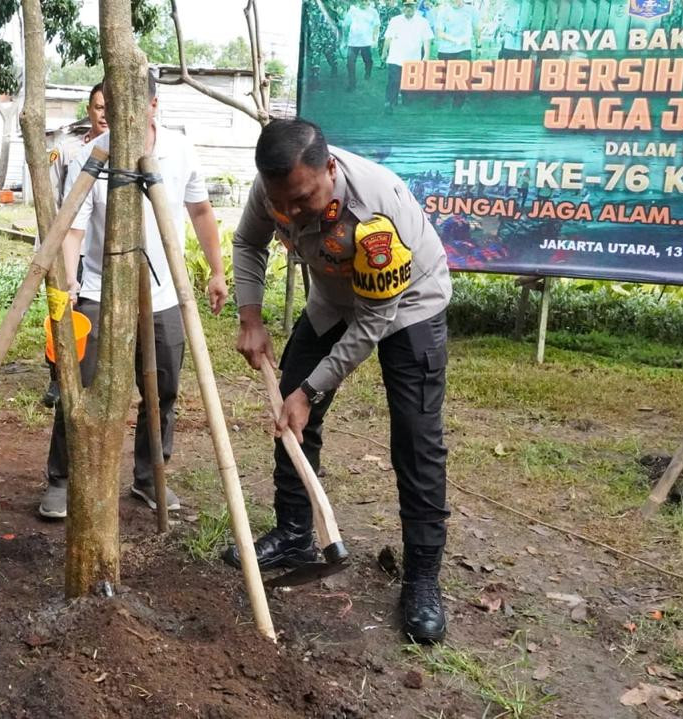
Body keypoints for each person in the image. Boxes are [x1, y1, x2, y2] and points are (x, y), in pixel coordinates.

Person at [223, 119, 453, 645]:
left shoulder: (375, 215)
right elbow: (248, 241)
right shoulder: (274, 187)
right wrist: (251, 318)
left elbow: (374, 322)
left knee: (417, 440)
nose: (292, 211)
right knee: (288, 411)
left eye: (303, 200)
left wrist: (310, 390)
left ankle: (421, 579)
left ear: (329, 168)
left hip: (407, 308)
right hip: (333, 299)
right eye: (284, 202)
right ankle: (295, 533)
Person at [37, 72, 228, 520]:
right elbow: (76, 226)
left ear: (153, 106)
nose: (120, 117)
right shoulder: (92, 154)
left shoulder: (179, 149)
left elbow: (200, 210)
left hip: (164, 293)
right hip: (99, 290)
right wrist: (68, 281)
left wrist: (217, 271)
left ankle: (149, 476)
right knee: (77, 388)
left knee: (163, 389)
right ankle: (62, 481)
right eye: (111, 107)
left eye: (132, 107)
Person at [40, 82, 110, 409]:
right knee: (62, 309)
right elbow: (51, 201)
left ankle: (88, 369)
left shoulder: (124, 155)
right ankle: (58, 376)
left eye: (110, 107)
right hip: (68, 244)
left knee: (89, 317)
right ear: (89, 110)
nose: (105, 114)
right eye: (99, 107)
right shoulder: (69, 151)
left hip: (96, 248)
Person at [383, 0, 434, 113]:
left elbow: (427, 40)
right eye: (406, 6)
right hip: (395, 57)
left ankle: (406, 99)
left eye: (411, 6)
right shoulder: (395, 21)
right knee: (394, 81)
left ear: (415, 7)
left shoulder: (423, 22)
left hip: (413, 59)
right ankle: (389, 102)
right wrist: (384, 52)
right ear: (402, 7)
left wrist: (426, 56)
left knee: (409, 82)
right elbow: (388, 38)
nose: (408, 8)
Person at [433, 0, 479, 107]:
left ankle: (458, 104)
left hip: (464, 49)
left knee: (462, 77)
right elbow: (439, 32)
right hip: (446, 50)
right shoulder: (443, 12)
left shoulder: (471, 10)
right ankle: (440, 101)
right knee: (443, 78)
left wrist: (478, 46)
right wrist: (455, 40)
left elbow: (476, 29)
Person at [346, 0, 382, 91]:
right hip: (353, 42)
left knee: (368, 60)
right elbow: (346, 25)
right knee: (350, 63)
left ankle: (368, 72)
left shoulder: (373, 12)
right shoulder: (352, 11)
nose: (363, 2)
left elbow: (376, 26)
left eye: (365, 1)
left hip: (366, 42)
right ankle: (352, 83)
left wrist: (375, 40)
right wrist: (345, 38)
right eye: (362, 1)